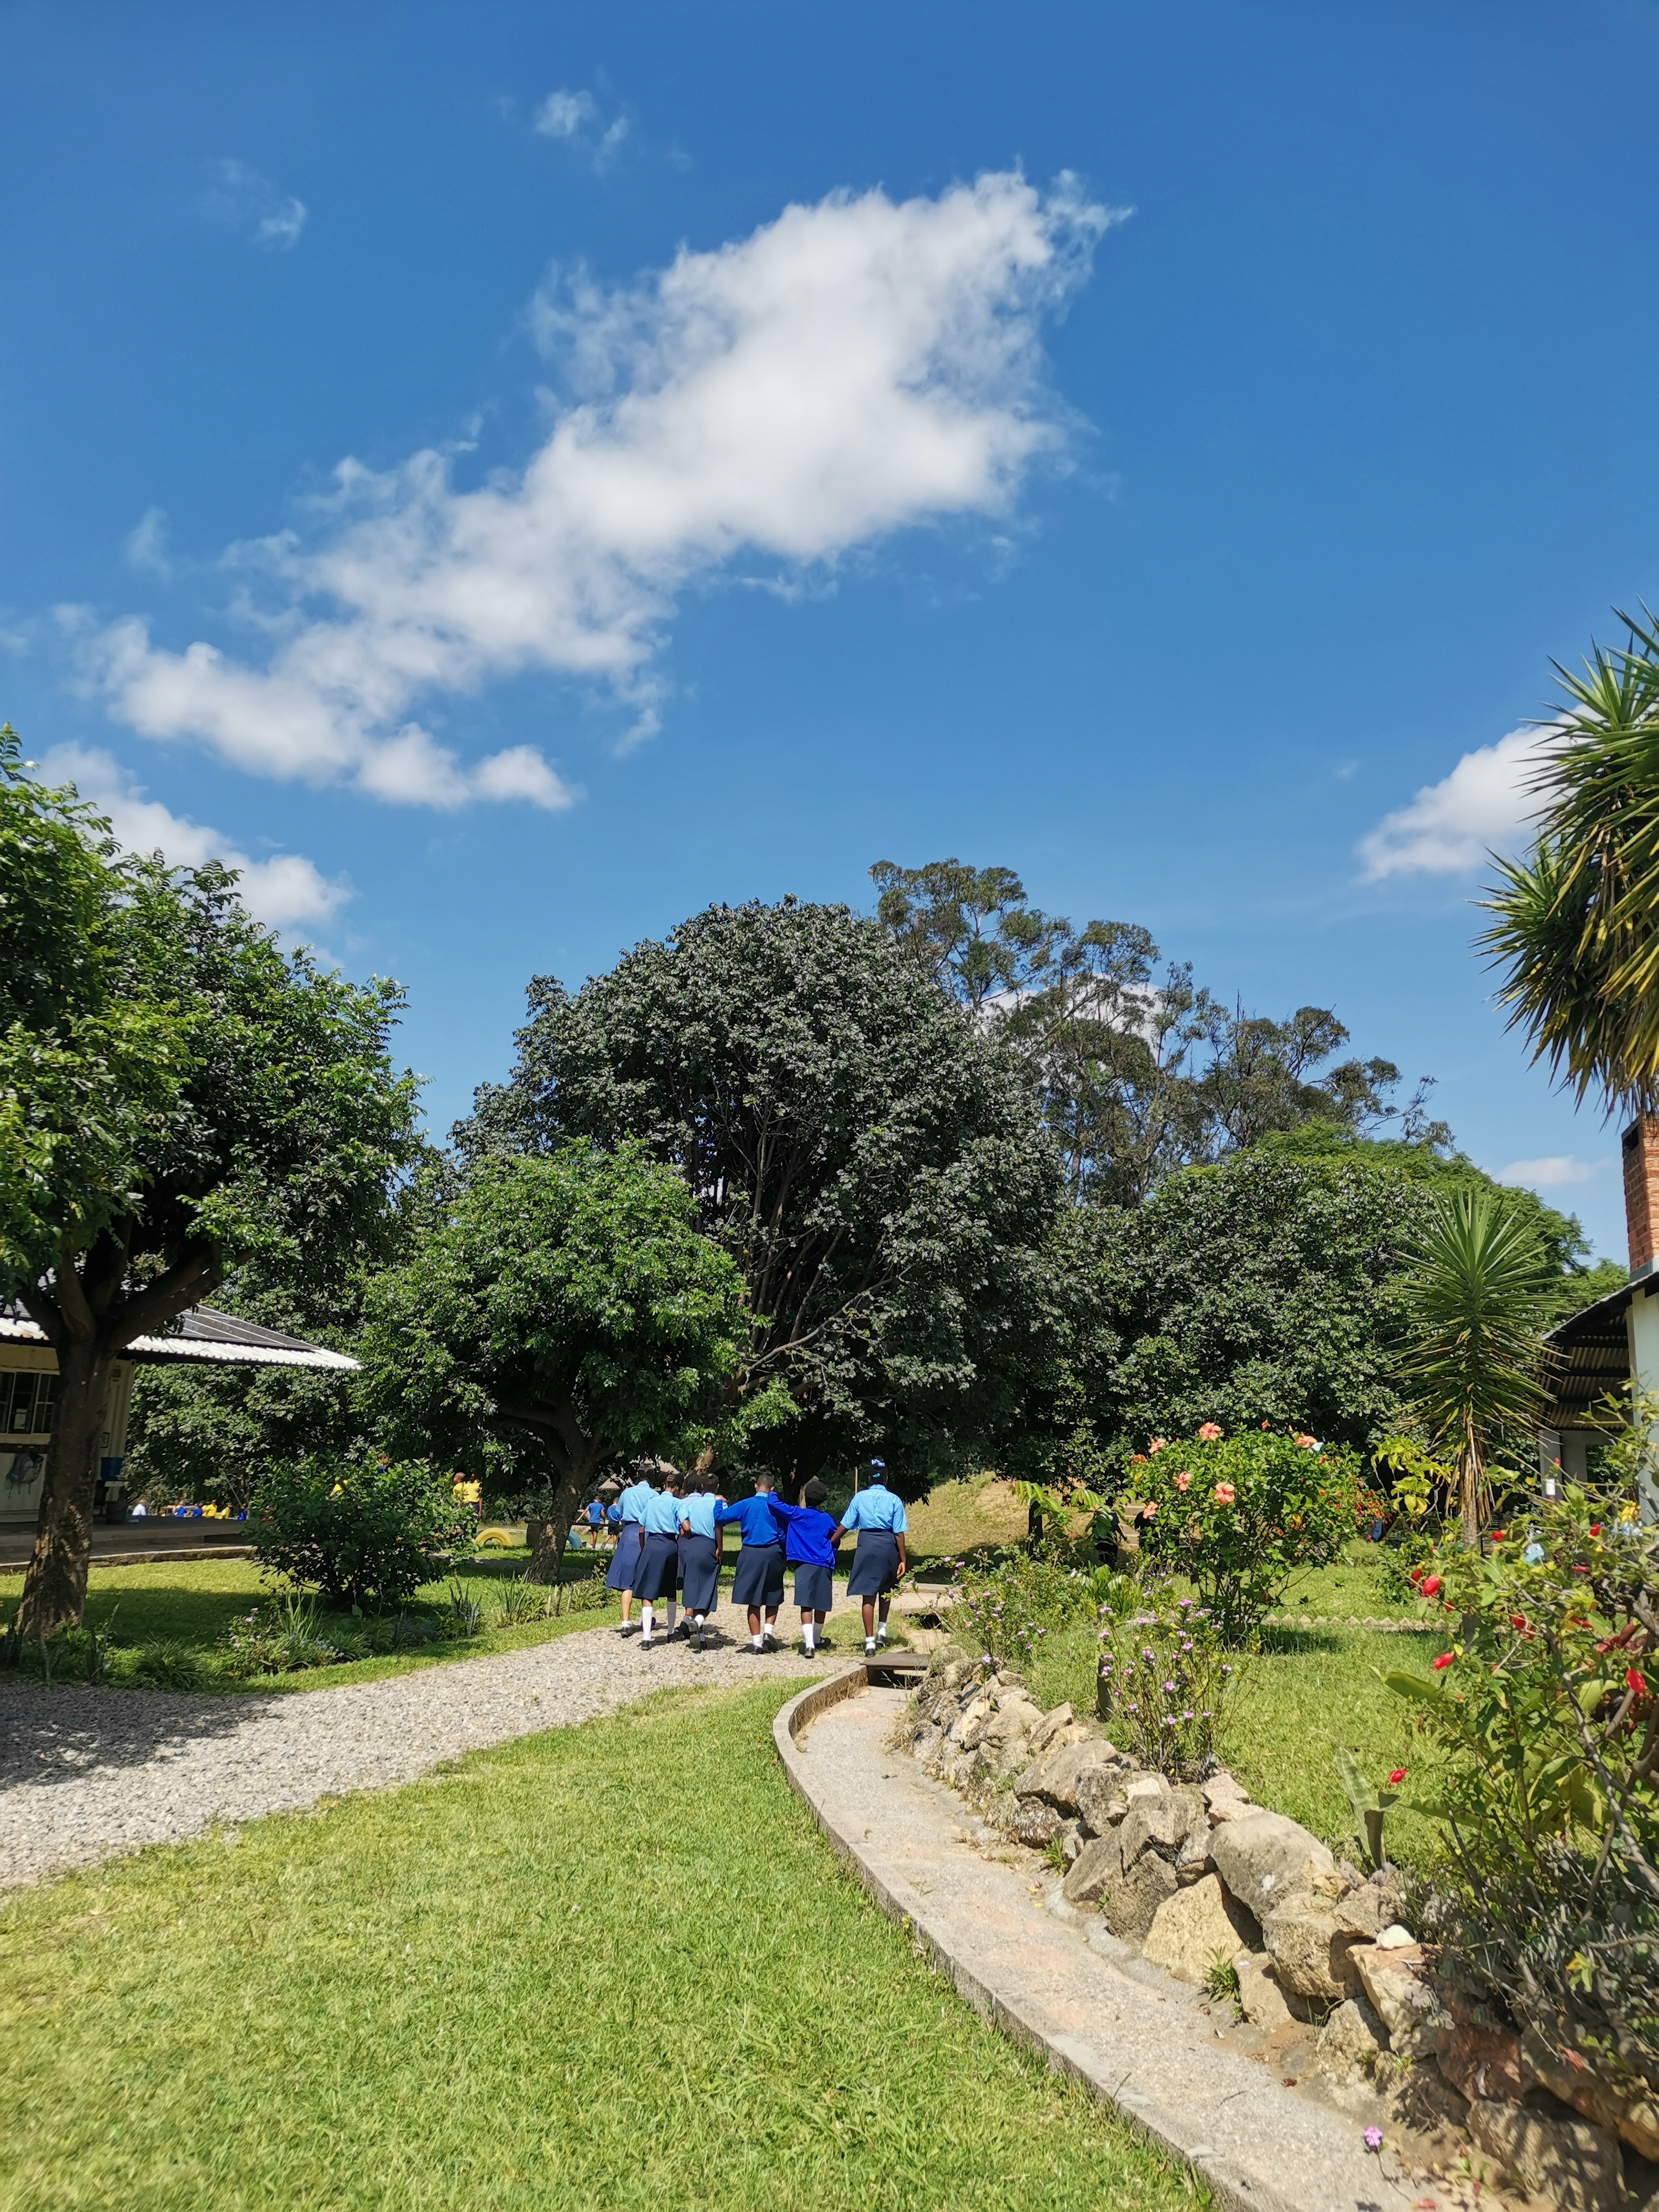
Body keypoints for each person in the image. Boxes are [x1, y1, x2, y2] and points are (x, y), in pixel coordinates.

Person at [833, 1457, 907, 1655]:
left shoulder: (859, 1498)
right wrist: (903, 1559)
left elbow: (846, 1524)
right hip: (887, 1546)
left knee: (868, 1594)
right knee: (886, 1588)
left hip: (866, 1544)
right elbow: (899, 1533)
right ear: (886, 1478)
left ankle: (869, 1643)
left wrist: (831, 1541)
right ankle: (882, 1631)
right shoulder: (894, 1500)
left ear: (869, 1478)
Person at [715, 1473, 786, 1652]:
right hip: (773, 1552)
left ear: (756, 1486)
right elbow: (783, 1533)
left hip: (750, 1553)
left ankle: (756, 1643)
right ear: (772, 1489)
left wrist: (718, 1502)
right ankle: (768, 1632)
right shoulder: (776, 1506)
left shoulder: (746, 1504)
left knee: (754, 1599)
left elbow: (721, 1518)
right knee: (773, 1594)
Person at [766, 1478, 838, 1653]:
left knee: (806, 1604)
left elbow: (774, 1503)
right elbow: (835, 1539)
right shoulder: (827, 1519)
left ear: (805, 1496)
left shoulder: (796, 1514)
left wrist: (773, 1492)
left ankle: (809, 1645)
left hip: (803, 1564)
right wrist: (830, 1551)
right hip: (824, 1564)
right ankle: (817, 1638)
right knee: (821, 1603)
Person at [630, 1468, 685, 1650]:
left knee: (648, 1592)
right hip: (670, 1545)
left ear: (664, 1485)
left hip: (652, 1545)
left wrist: (644, 1548)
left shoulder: (652, 1502)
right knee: (671, 1590)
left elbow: (642, 1528)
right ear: (677, 1488)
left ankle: (647, 1638)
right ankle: (670, 1632)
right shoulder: (677, 1504)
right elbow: (685, 1526)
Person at [677, 1474, 724, 1648]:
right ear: (717, 1487)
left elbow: (684, 1526)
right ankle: (697, 1622)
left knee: (694, 1588)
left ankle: (701, 1638)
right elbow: (719, 1525)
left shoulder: (690, 1503)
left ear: (702, 1487)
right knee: (707, 1591)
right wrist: (720, 1547)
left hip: (692, 1545)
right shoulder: (719, 1504)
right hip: (709, 1545)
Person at [606, 1463, 654, 1631]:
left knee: (627, 1581)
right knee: (646, 1578)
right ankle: (646, 1620)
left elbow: (618, 1512)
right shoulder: (654, 1495)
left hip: (628, 1534)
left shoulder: (627, 1493)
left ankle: (626, 1622)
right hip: (647, 1533)